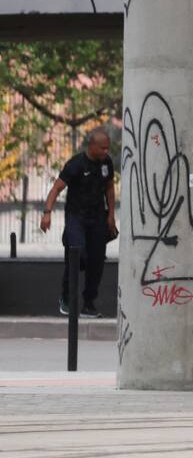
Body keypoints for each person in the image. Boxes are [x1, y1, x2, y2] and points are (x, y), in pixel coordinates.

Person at [40, 128, 117, 318]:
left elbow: (109, 188)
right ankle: (66, 298)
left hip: (97, 218)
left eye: (108, 148)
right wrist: (47, 213)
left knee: (96, 261)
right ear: (92, 146)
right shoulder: (76, 164)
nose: (106, 151)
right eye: (103, 148)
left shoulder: (106, 162)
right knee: (77, 255)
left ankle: (89, 305)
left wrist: (111, 216)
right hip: (76, 218)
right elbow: (56, 189)